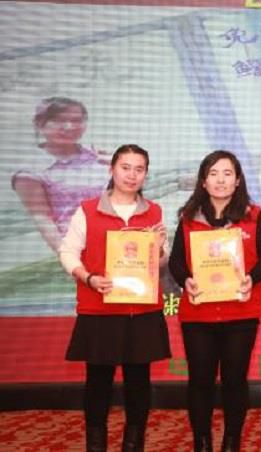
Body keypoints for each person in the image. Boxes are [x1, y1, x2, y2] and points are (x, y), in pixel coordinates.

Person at [59, 144, 171, 452]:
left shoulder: (154, 211)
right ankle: (96, 445)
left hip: (141, 311)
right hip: (100, 311)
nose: (132, 175)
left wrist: (160, 248)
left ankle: (133, 445)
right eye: (125, 167)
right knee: (98, 383)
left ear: (146, 174)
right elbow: (67, 252)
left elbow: (161, 263)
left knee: (139, 383)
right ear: (112, 170)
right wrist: (89, 278)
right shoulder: (87, 210)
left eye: (139, 169)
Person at [168, 150, 261, 452]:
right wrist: (185, 280)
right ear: (203, 181)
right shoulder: (188, 218)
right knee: (200, 380)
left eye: (227, 173)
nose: (220, 180)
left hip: (241, 313)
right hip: (198, 315)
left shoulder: (253, 215)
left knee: (234, 380)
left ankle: (232, 443)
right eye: (213, 173)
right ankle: (202, 443)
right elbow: (176, 261)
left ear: (238, 180)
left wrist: (251, 278)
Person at [14, 97, 110, 252]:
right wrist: (67, 255)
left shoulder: (97, 155)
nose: (69, 127)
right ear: (39, 123)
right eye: (59, 120)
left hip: (124, 237)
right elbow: (42, 219)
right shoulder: (30, 171)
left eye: (76, 120)